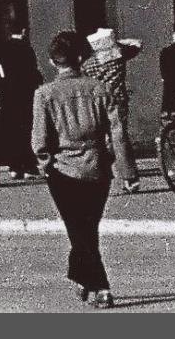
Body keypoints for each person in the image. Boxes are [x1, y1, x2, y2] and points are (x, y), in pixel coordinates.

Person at [33, 30, 121, 309]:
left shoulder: (44, 94)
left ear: (52, 62)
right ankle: (84, 277)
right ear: (82, 58)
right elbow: (117, 133)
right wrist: (125, 170)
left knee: (78, 230)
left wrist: (46, 165)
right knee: (87, 228)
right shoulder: (100, 89)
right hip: (98, 168)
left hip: (63, 171)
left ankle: (100, 286)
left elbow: (39, 140)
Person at [83, 27, 142, 194]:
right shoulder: (119, 56)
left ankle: (96, 171)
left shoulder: (89, 63)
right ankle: (129, 178)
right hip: (117, 101)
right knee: (120, 138)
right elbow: (138, 44)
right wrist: (117, 43)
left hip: (97, 103)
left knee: (101, 140)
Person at [0, 21, 45, 180]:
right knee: (26, 129)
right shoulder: (26, 48)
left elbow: (0, 72)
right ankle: (29, 166)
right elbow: (33, 71)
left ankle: (14, 166)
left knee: (11, 130)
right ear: (23, 31)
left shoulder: (2, 49)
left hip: (7, 94)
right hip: (25, 93)